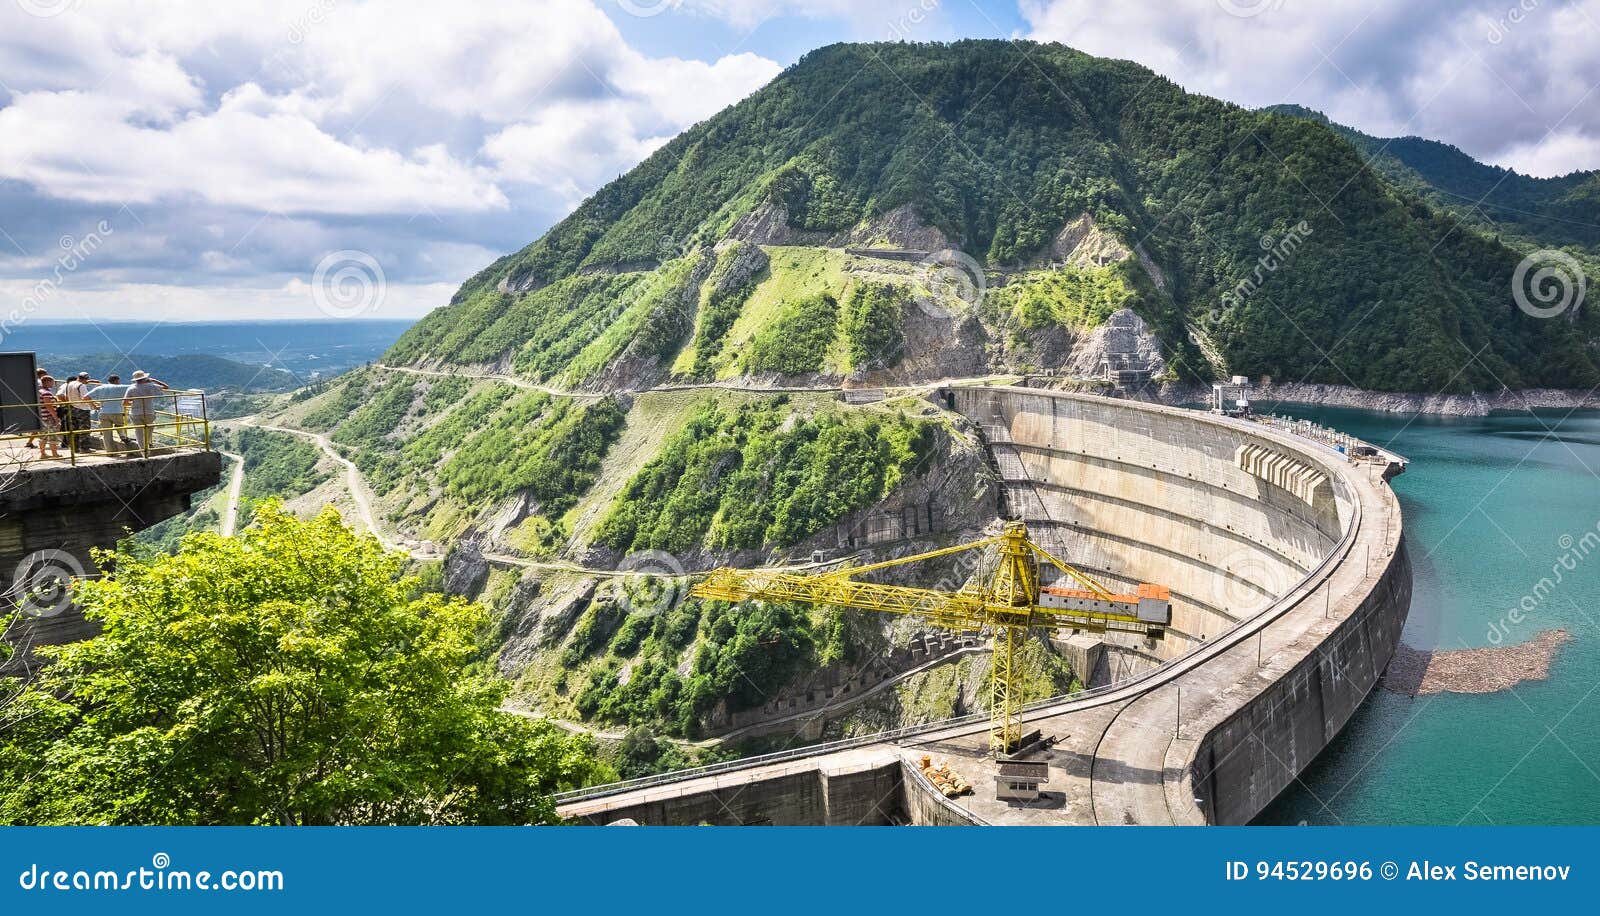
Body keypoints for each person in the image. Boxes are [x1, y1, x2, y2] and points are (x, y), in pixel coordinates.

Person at [86, 373, 134, 454]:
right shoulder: (121, 387)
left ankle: (110, 452)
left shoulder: (100, 387)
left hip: (103, 412)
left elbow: (85, 397)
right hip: (117, 411)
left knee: (106, 434)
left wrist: (94, 406)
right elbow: (134, 387)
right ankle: (123, 437)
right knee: (120, 425)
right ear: (117, 381)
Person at [126, 370, 164, 455]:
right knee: (150, 427)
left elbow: (125, 402)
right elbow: (166, 387)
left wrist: (133, 402)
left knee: (138, 432)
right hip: (149, 411)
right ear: (145, 378)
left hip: (135, 413)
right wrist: (153, 380)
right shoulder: (151, 385)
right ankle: (147, 444)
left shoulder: (131, 388)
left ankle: (144, 452)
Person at [63, 371, 101, 451]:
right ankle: (85, 448)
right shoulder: (82, 386)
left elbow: (66, 397)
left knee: (74, 428)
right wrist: (94, 406)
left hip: (72, 407)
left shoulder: (70, 384)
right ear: (85, 379)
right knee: (85, 429)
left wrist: (90, 381)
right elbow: (86, 397)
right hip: (82, 409)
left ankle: (75, 448)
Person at [35, 375, 62, 459]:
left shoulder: (39, 391)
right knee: (53, 435)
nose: (53, 384)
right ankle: (54, 453)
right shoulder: (46, 393)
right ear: (47, 382)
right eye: (52, 382)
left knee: (43, 436)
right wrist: (56, 417)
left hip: (42, 416)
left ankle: (43, 454)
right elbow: (48, 406)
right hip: (49, 417)